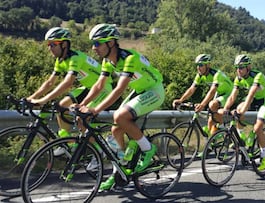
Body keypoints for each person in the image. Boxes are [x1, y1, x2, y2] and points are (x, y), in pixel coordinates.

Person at [80, 23, 165, 191]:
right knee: (115, 130)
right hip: (140, 90)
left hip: (154, 90)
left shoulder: (129, 59)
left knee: (119, 116)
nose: (93, 48)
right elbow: (98, 86)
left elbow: (119, 89)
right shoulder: (107, 61)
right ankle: (118, 171)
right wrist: (82, 105)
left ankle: (148, 149)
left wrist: (96, 110)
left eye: (97, 43)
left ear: (110, 43)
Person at [27, 27, 111, 156]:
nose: (50, 48)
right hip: (89, 88)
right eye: (48, 44)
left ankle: (100, 153)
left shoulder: (75, 58)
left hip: (104, 88)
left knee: (81, 119)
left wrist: (43, 100)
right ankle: (65, 143)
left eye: (53, 44)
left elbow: (68, 83)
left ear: (64, 44)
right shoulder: (60, 60)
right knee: (60, 106)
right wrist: (32, 97)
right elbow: (50, 82)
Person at [219, 54, 265, 171]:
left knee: (258, 127)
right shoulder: (238, 79)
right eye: (237, 68)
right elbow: (232, 96)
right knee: (238, 109)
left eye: (241, 67)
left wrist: (241, 112)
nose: (238, 70)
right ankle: (244, 140)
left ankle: (264, 156)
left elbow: (251, 94)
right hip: (254, 100)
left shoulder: (257, 76)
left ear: (248, 68)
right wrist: (226, 108)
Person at [172, 54, 233, 137]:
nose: (198, 68)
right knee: (210, 123)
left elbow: (212, 91)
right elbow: (191, 89)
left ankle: (222, 128)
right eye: (197, 65)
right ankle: (210, 145)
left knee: (212, 104)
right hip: (219, 93)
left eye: (200, 65)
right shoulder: (200, 75)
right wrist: (180, 100)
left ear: (207, 65)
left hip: (229, 94)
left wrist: (202, 104)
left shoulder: (216, 75)